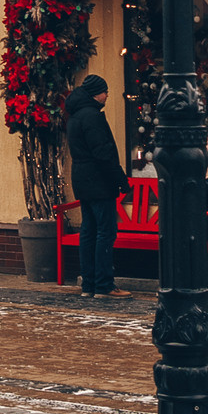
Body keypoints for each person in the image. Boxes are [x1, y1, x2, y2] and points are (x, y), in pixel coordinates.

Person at [63, 75, 128, 297]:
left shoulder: (74, 117)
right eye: (104, 91)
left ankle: (88, 284)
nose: (108, 94)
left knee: (88, 231)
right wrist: (120, 179)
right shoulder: (93, 117)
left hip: (82, 179)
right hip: (99, 181)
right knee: (105, 232)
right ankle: (104, 284)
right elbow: (104, 153)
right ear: (95, 93)